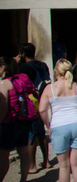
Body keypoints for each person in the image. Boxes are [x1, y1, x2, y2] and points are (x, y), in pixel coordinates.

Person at [0, 57, 35, 182]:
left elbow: (3, 107)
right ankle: (23, 181)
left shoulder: (4, 84)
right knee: (23, 153)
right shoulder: (21, 80)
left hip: (10, 123)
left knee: (3, 156)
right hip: (24, 121)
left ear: (3, 67)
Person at [18, 43, 51, 174]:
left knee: (31, 135)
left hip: (31, 103)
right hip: (43, 99)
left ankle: (32, 165)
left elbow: (20, 85)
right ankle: (46, 161)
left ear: (23, 54)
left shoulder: (23, 68)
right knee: (41, 132)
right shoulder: (43, 65)